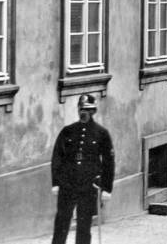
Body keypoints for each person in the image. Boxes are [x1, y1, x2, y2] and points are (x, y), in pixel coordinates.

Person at [51, 94, 115, 244]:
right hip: (67, 185)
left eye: (87, 109)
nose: (84, 112)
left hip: (88, 186)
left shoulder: (101, 133)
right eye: (81, 109)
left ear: (93, 111)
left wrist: (107, 188)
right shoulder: (68, 131)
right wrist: (56, 182)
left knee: (84, 227)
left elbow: (108, 161)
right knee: (61, 223)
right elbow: (57, 157)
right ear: (78, 110)